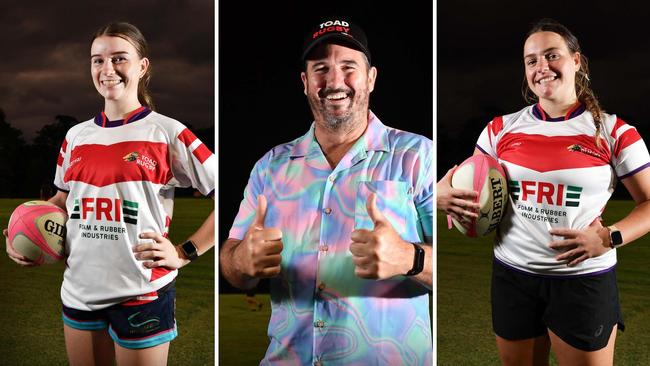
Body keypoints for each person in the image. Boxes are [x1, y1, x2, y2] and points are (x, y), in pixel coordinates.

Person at [220, 17, 433, 365]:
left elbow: (451, 270)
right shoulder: (271, 166)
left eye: (349, 67)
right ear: (305, 82)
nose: (335, 80)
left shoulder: (418, 156)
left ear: (371, 78)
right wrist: (242, 260)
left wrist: (411, 258)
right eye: (321, 68)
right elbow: (232, 260)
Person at [438, 18, 650, 365]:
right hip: (512, 278)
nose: (542, 67)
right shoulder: (499, 129)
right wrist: (444, 196)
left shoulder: (615, 132)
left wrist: (609, 237)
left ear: (577, 61)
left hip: (582, 281)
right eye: (531, 60)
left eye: (552, 56)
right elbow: (471, 190)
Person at [4, 22, 215, 366]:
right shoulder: (75, 136)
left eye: (119, 59)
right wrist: (23, 232)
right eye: (97, 60)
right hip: (80, 291)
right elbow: (60, 202)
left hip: (141, 292)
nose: (107, 70)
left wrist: (184, 252)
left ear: (143, 66)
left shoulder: (168, 132)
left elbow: (233, 197)